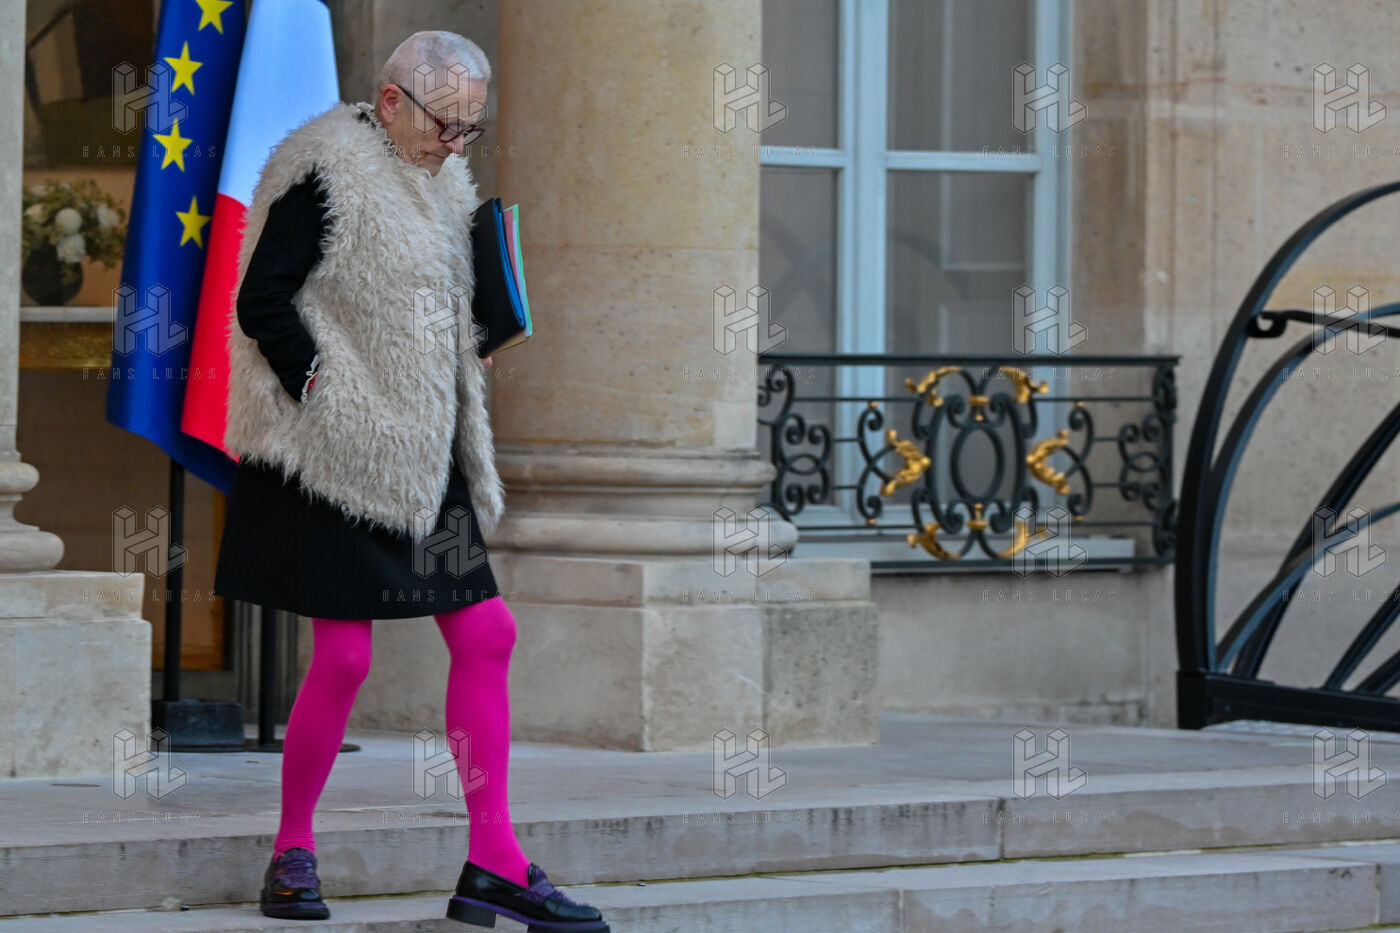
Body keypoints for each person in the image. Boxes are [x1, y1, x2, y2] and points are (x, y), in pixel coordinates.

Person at [212, 30, 609, 931]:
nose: (456, 143)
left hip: (426, 453)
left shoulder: (442, 178)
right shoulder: (324, 172)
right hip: (335, 453)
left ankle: (494, 861)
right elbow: (261, 298)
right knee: (345, 657)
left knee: (489, 633)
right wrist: (327, 390)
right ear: (391, 100)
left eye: (471, 128)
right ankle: (291, 851)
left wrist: (468, 347)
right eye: (445, 124)